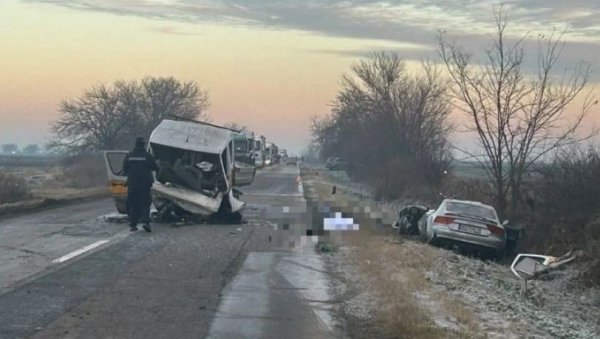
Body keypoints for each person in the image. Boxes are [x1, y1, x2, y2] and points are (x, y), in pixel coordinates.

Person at [122, 137, 158, 232]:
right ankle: (146, 222)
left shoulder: (129, 156)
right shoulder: (147, 156)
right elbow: (154, 167)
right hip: (144, 184)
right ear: (143, 145)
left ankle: (133, 225)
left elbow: (124, 169)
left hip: (132, 184)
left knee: (133, 204)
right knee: (145, 204)